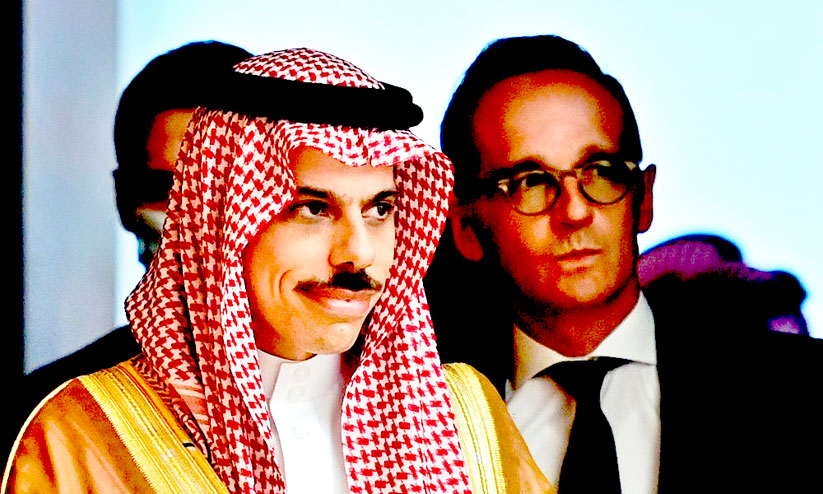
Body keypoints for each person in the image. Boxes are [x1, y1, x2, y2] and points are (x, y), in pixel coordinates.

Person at [5, 47, 548, 494]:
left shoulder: (466, 418)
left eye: (380, 209)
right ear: (221, 220)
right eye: (313, 209)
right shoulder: (83, 435)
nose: (358, 254)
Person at [427, 34, 822, 493]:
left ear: (643, 198)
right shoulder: (417, 430)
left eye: (601, 171)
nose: (575, 211)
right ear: (465, 228)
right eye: (529, 182)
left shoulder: (805, 395)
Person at [16, 41, 253, 435]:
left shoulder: (359, 397)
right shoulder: (49, 419)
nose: (197, 219)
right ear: (125, 201)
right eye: (168, 190)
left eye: (226, 187)